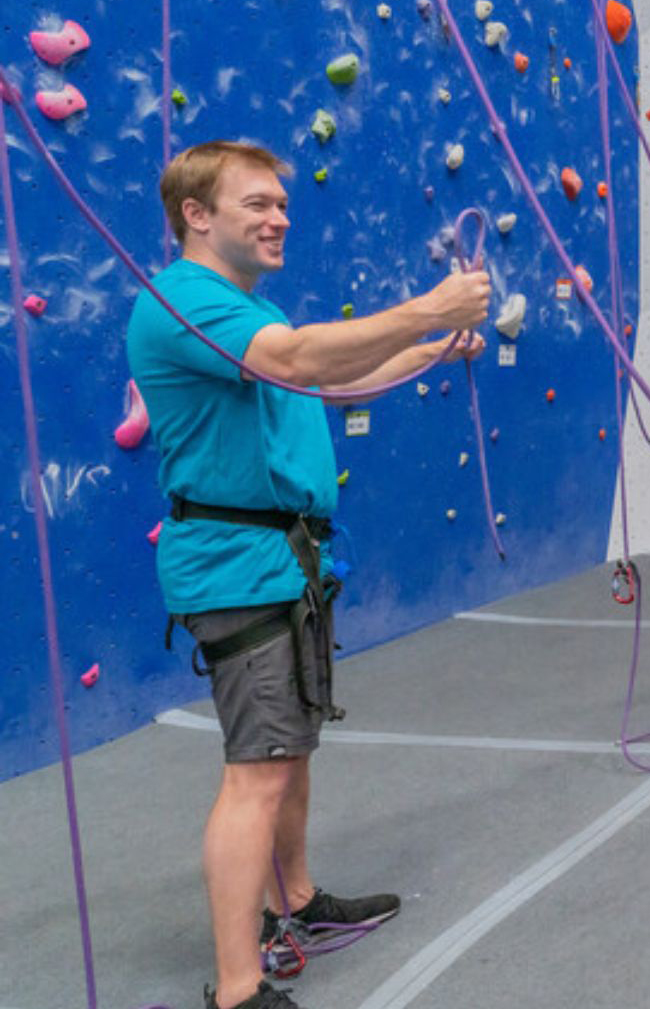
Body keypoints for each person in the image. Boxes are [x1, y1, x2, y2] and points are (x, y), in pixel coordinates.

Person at [127, 141, 492, 1009]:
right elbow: (296, 361)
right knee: (256, 772)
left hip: (281, 564)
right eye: (257, 202)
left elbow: (326, 382)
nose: (279, 215)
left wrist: (429, 350)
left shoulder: (245, 308)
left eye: (282, 203)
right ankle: (237, 986)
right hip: (240, 568)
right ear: (196, 215)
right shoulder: (185, 302)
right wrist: (426, 308)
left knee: (286, 754)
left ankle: (294, 900)